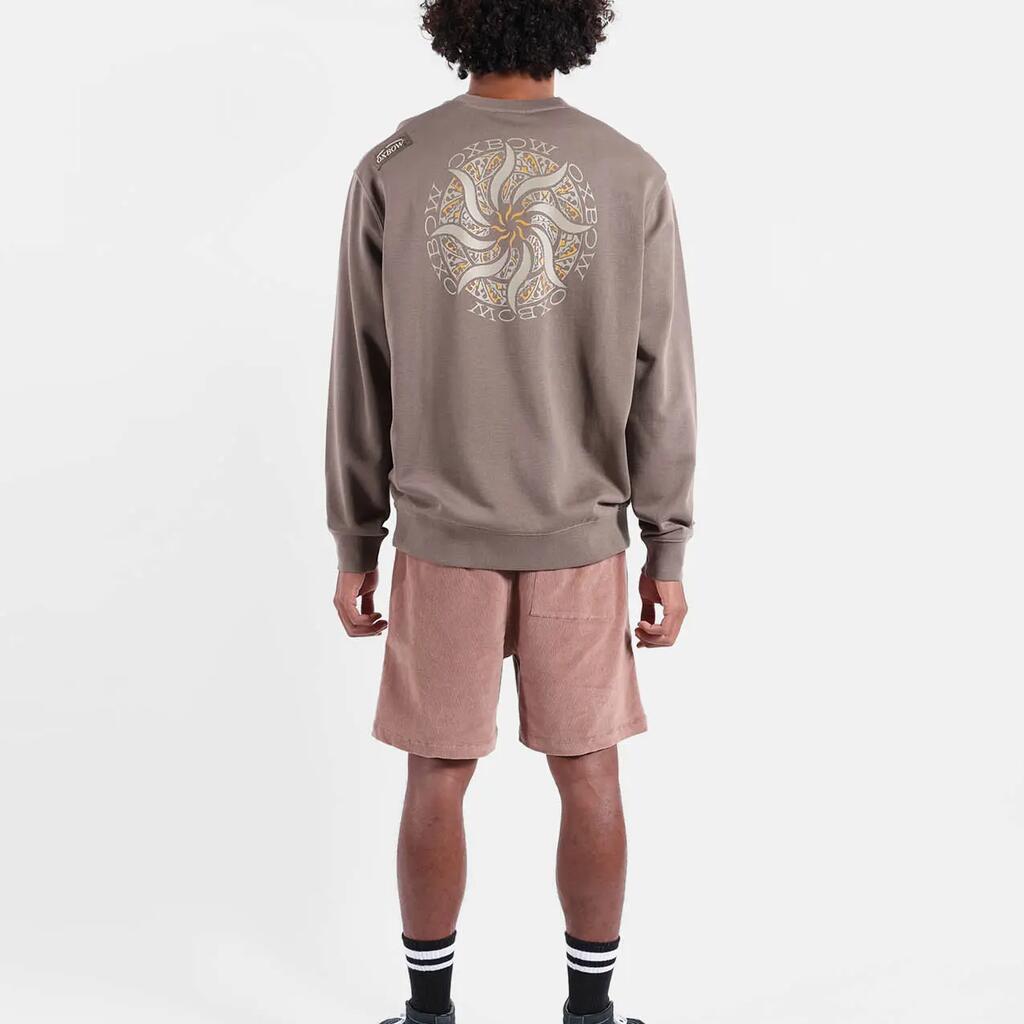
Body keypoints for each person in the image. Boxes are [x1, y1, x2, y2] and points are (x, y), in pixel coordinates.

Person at [326, 3, 695, 1022]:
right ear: (576, 21)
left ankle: (428, 1013)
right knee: (589, 770)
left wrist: (355, 538)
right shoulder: (629, 172)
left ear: (456, 19)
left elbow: (360, 368)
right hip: (581, 535)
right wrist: (666, 546)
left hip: (441, 532)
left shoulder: (397, 163)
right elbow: (662, 378)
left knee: (437, 771)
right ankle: (590, 1014)